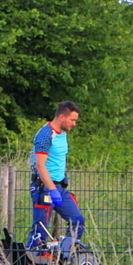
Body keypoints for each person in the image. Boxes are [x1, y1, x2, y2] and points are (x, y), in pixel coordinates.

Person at [27, 101, 86, 250]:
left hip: (60, 187)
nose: (74, 124)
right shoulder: (45, 135)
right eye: (72, 120)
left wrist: (58, 189)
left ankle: (63, 253)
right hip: (45, 188)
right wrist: (52, 190)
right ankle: (30, 263)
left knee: (77, 220)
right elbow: (40, 165)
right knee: (40, 231)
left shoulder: (63, 134)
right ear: (61, 117)